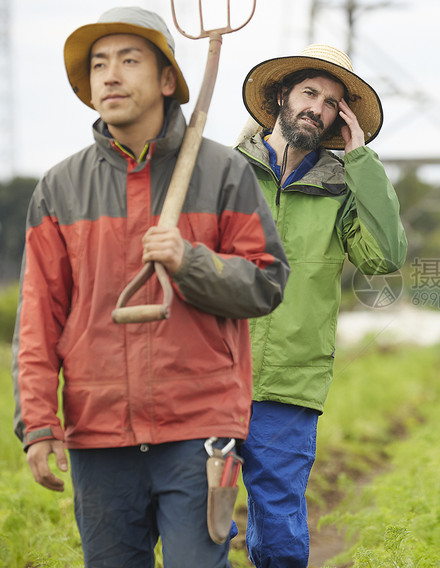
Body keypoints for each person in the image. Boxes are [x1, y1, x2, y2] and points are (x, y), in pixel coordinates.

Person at [11, 7, 289, 567]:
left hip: (199, 430)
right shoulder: (60, 189)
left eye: (129, 60)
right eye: (99, 65)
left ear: (167, 81)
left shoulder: (224, 174)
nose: (110, 75)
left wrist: (189, 261)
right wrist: (39, 422)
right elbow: (38, 318)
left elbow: (266, 282)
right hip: (99, 431)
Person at [234, 44, 407, 566]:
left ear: (340, 119)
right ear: (282, 95)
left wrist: (361, 161)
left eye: (332, 103)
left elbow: (386, 257)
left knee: (280, 527)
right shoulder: (227, 171)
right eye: (310, 92)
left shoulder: (340, 187)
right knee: (200, 516)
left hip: (291, 378)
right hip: (214, 369)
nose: (318, 107)